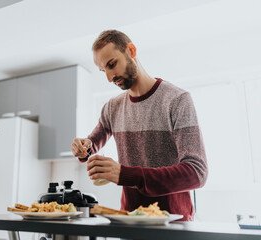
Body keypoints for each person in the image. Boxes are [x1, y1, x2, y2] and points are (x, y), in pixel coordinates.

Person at [71, 30, 208, 221]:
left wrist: (125, 174)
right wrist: (83, 148)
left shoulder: (177, 100)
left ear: (131, 51)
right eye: (104, 71)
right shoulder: (112, 107)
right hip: (129, 223)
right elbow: (92, 143)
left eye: (112, 65)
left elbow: (197, 173)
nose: (110, 78)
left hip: (173, 224)